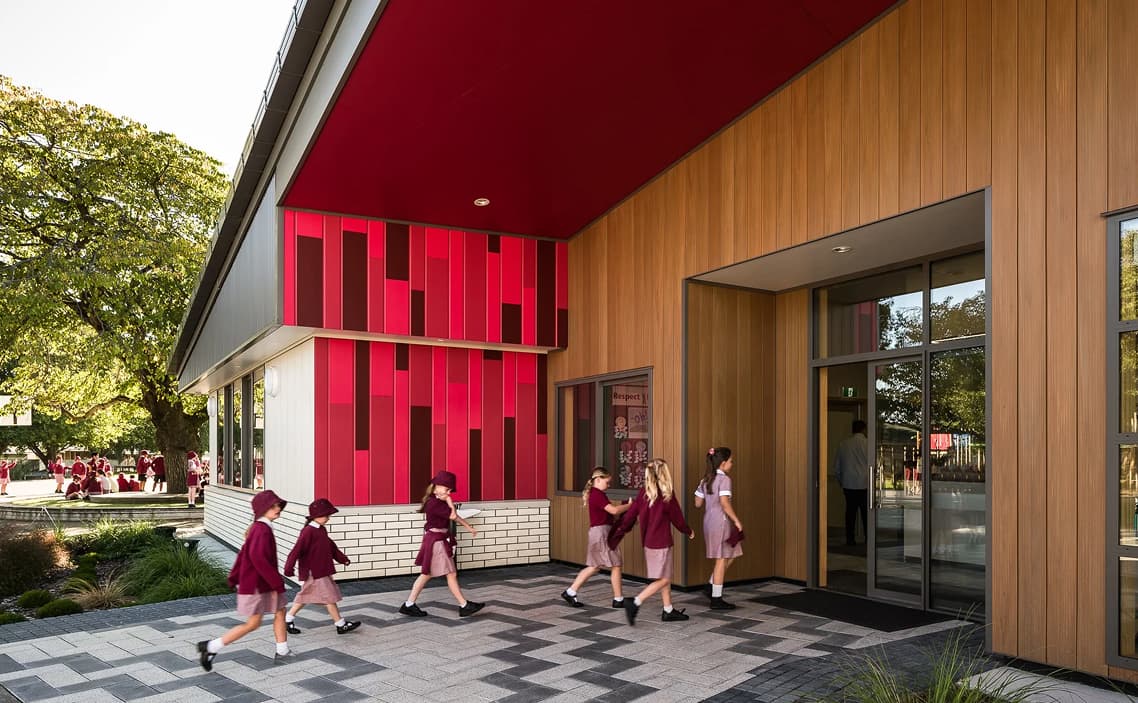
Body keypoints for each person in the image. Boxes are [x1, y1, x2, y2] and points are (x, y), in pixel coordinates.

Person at [197, 489, 291, 671]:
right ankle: (210, 647)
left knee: (280, 611)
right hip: (259, 585)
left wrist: (233, 577)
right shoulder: (261, 530)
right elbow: (257, 558)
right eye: (273, 506)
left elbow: (243, 554)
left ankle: (283, 650)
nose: (278, 508)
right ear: (263, 509)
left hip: (263, 583)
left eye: (278, 505)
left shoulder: (260, 528)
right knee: (253, 623)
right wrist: (277, 582)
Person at [608, 458, 695, 625]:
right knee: (664, 579)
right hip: (662, 543)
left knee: (663, 576)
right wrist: (688, 531)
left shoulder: (643, 493)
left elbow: (630, 515)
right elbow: (677, 518)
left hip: (649, 543)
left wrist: (621, 530)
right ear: (664, 474)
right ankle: (635, 602)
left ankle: (668, 610)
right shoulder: (667, 494)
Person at [398, 470, 484, 618]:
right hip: (436, 541)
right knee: (448, 573)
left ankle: (409, 604)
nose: (449, 493)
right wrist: (449, 500)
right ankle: (464, 605)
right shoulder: (434, 503)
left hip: (436, 540)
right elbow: (453, 515)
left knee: (428, 574)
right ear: (436, 487)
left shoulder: (436, 501)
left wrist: (469, 527)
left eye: (450, 491)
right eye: (447, 489)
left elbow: (454, 516)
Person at [283, 498, 360, 635]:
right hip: (314, 572)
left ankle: (288, 619)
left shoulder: (321, 530)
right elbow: (296, 550)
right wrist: (289, 568)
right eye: (326, 515)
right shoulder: (308, 531)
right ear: (316, 516)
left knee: (305, 596)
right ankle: (340, 624)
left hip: (321, 570)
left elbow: (331, 547)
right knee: (329, 597)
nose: (328, 518)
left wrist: (342, 559)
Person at [559, 467, 631, 608]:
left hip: (597, 533)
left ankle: (570, 592)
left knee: (594, 566)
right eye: (607, 482)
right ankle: (618, 599)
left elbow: (611, 515)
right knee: (616, 564)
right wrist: (630, 506)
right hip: (602, 533)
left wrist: (623, 510)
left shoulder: (596, 494)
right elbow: (613, 510)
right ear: (598, 480)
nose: (609, 485)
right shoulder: (598, 495)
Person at [694, 446, 743, 610]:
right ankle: (716, 598)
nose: (732, 464)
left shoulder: (705, 480)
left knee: (732, 551)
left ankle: (711, 585)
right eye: (731, 461)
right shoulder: (725, 480)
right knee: (721, 559)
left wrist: (703, 489)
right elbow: (724, 503)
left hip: (708, 521)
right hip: (721, 522)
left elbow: (697, 503)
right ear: (723, 463)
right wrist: (736, 520)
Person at [832, 419, 869, 546]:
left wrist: (841, 481)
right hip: (864, 483)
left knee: (850, 513)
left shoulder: (844, 444)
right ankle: (868, 539)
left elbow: (837, 467)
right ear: (863, 429)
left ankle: (850, 539)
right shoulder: (868, 444)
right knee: (866, 514)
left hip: (849, 484)